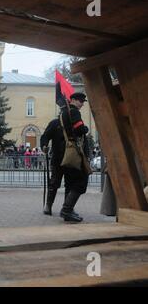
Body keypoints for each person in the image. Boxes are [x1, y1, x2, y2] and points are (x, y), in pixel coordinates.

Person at [59, 92, 90, 222]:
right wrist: (86, 128)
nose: (82, 104)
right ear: (72, 100)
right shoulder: (74, 112)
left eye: (83, 101)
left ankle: (68, 211)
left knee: (70, 183)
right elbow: (79, 129)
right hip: (76, 152)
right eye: (80, 101)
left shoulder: (63, 112)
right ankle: (66, 209)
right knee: (81, 182)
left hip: (68, 150)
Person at [40, 115, 68, 215]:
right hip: (58, 158)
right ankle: (48, 205)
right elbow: (45, 136)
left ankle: (67, 207)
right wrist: (44, 146)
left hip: (72, 159)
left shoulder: (74, 122)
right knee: (54, 183)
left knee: (70, 184)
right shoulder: (55, 123)